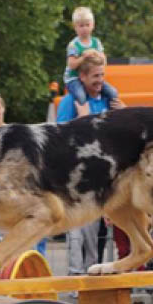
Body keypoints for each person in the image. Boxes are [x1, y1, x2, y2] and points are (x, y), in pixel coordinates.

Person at [57, 53, 124, 275]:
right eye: (95, 76)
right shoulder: (71, 102)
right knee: (77, 233)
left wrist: (123, 113)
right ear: (82, 77)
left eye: (102, 75)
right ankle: (76, 277)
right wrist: (83, 120)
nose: (100, 80)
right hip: (78, 178)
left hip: (104, 178)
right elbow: (60, 138)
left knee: (96, 234)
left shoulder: (108, 100)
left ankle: (93, 278)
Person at [62, 6, 118, 117]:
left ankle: (113, 115)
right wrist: (83, 57)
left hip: (90, 76)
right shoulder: (74, 45)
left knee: (113, 92)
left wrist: (95, 52)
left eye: (87, 25)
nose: (84, 28)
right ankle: (84, 116)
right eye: (81, 26)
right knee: (81, 96)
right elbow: (71, 65)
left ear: (93, 25)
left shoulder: (96, 43)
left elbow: (104, 61)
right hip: (74, 78)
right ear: (75, 27)